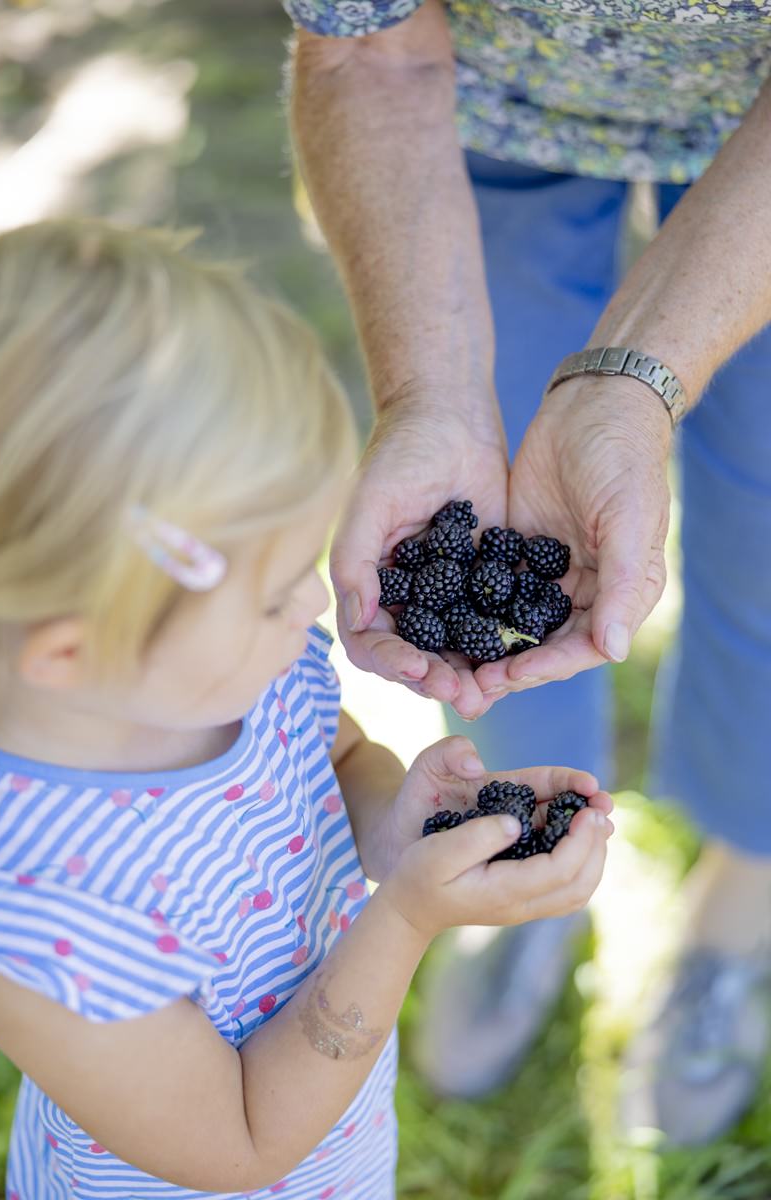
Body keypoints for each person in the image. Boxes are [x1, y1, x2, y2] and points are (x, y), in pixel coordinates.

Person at [0, 219, 613, 1200]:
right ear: (72, 647)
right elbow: (240, 1144)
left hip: (336, 1144)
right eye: (275, 594)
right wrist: (401, 921)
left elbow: (331, 756)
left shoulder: (226, 674)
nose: (312, 608)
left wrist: (401, 828)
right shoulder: (31, 915)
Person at [285, 0, 771, 1144]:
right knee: (502, 493)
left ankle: (738, 900)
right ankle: (525, 856)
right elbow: (366, 49)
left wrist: (629, 385)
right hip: (486, 107)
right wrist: (426, 396)